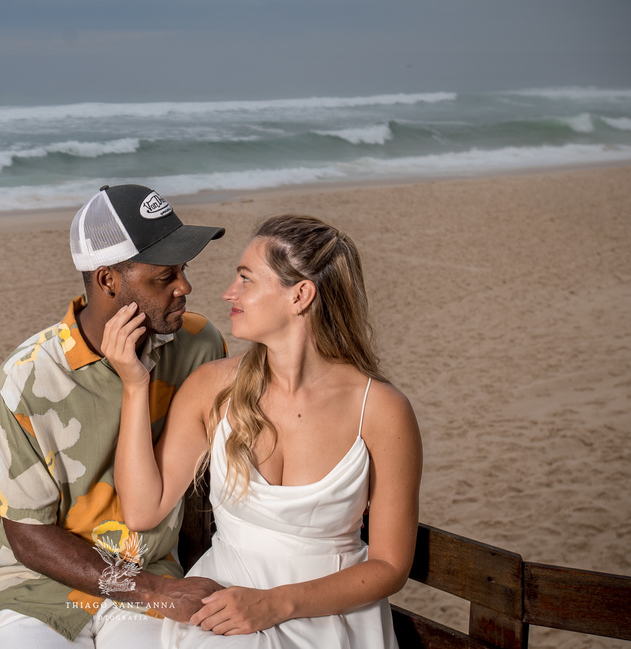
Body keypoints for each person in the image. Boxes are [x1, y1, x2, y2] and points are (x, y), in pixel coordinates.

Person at [103, 214, 422, 648]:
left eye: (246, 279)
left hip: (331, 617)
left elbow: (390, 566)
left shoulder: (381, 410)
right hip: (222, 606)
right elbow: (143, 511)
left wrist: (276, 604)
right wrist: (134, 385)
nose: (228, 292)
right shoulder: (212, 387)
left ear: (300, 295)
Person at [0, 184, 231, 648]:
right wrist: (155, 592)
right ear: (108, 280)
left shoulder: (199, 346)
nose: (184, 287)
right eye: (164, 276)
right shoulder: (24, 380)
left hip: (149, 573)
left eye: (184, 270)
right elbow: (29, 537)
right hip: (34, 592)